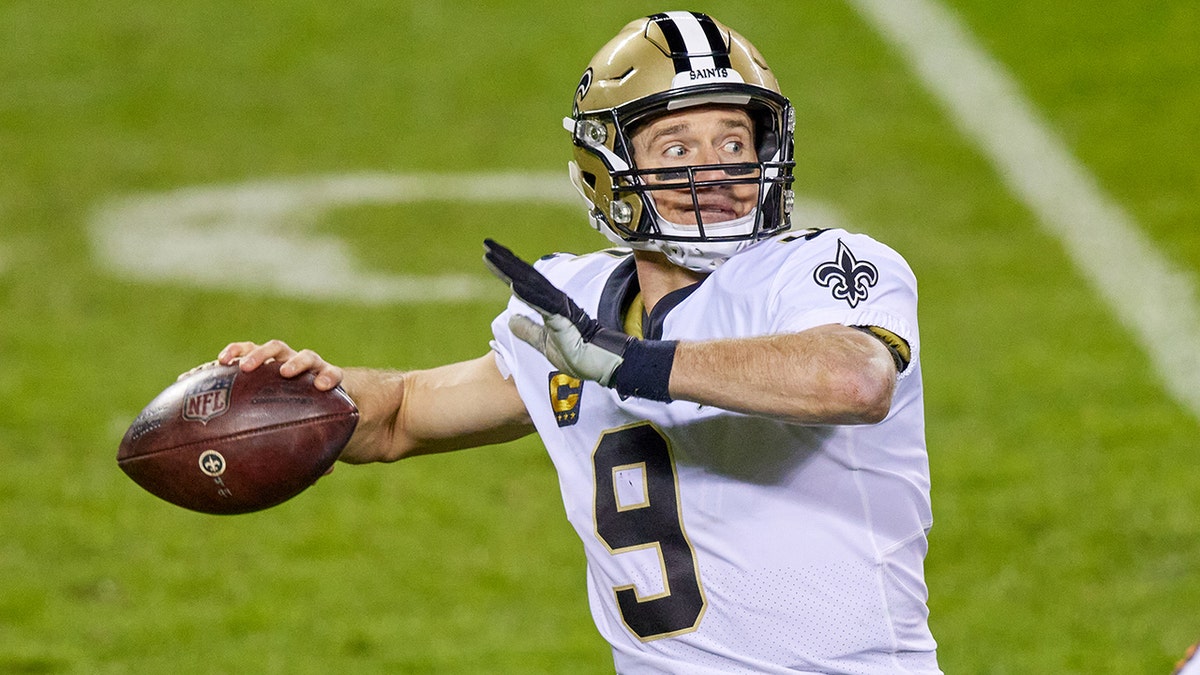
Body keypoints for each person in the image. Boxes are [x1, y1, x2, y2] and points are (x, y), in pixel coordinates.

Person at [219, 11, 941, 673]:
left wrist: (626, 363)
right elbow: (401, 414)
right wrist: (308, 390)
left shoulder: (820, 270)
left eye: (734, 139)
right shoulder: (578, 309)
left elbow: (856, 380)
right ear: (609, 169)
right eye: (677, 145)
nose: (716, 166)